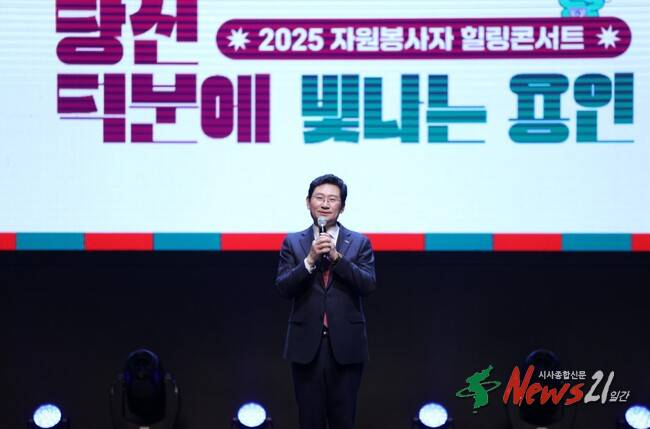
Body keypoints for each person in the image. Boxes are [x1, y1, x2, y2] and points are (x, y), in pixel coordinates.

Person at [275, 174, 376, 429]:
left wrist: (338, 258)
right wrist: (309, 260)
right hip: (306, 346)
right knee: (309, 420)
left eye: (332, 199)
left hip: (346, 345)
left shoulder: (359, 242)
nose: (325, 204)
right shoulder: (293, 242)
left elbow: (368, 284)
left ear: (342, 206)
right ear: (308, 202)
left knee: (344, 420)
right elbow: (284, 287)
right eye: (319, 198)